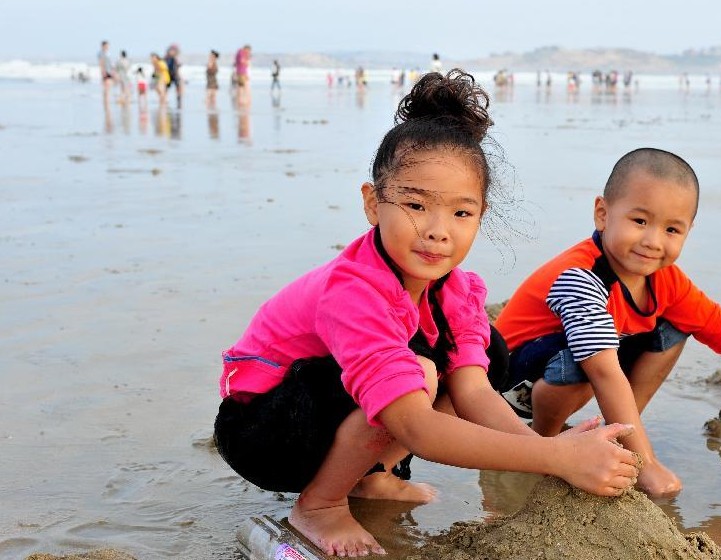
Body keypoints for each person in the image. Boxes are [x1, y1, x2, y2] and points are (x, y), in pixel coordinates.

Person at [213, 70, 639, 557]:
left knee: (481, 362)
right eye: (416, 204)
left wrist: (545, 453)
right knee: (417, 374)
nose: (438, 232)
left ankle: (369, 477)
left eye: (461, 213)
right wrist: (554, 455)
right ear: (374, 204)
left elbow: (474, 392)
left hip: (327, 402)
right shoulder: (353, 288)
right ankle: (321, 504)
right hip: (263, 426)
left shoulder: (454, 289)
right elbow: (415, 425)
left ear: (481, 215)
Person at [493, 147, 721, 499]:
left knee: (676, 327)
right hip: (509, 389)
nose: (652, 241)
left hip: (566, 370)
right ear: (602, 214)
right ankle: (542, 444)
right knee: (586, 359)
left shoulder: (664, 279)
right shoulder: (580, 276)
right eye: (639, 221)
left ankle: (620, 432)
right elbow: (602, 370)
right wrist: (645, 463)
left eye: (671, 230)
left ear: (688, 231)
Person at [165, 44, 183, 108]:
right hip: (168, 75)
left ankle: (179, 98)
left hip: (175, 75)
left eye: (173, 51)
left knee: (178, 87)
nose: (172, 52)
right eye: (171, 50)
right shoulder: (166, 57)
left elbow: (179, 65)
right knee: (166, 88)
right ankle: (165, 99)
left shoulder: (176, 58)